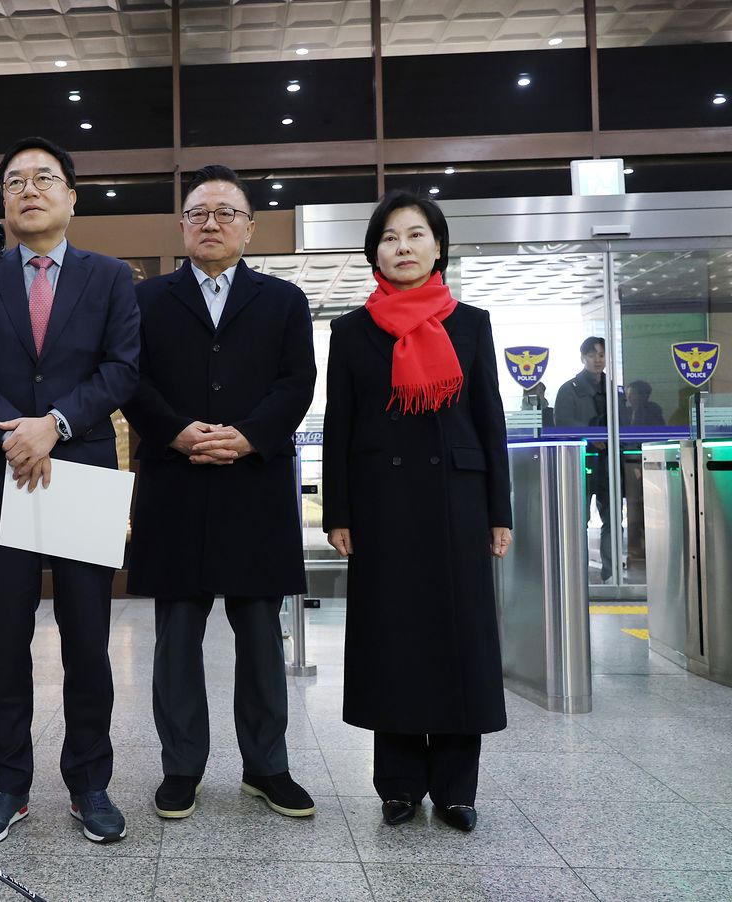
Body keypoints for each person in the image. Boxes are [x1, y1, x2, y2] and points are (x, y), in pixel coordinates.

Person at [0, 136, 140, 846]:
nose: (29, 189)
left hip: (79, 468)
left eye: (44, 178)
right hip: (1, 471)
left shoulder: (110, 275)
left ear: (71, 195)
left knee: (89, 641)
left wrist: (54, 424)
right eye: (15, 180)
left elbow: (123, 368)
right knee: (4, 640)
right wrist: (12, 433)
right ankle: (5, 784)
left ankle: (90, 783)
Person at [123, 164, 317, 821]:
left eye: (226, 213)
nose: (212, 223)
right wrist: (176, 432)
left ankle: (268, 767)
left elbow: (297, 383)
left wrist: (247, 435)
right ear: (181, 226)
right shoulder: (145, 301)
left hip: (252, 485)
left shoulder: (283, 301)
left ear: (250, 229)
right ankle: (181, 769)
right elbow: (131, 380)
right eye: (199, 213)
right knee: (177, 638)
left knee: (261, 637)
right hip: (174, 486)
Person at [322, 190, 512, 834]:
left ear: (438, 247)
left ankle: (456, 787)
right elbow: (340, 428)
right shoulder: (351, 331)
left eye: (415, 235)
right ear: (374, 251)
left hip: (458, 501)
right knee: (393, 640)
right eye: (389, 237)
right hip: (382, 504)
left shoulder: (471, 323)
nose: (401, 247)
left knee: (460, 640)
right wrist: (337, 512)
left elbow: (489, 421)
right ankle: (399, 784)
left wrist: (499, 511)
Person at [554, 337, 615, 581]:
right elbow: (563, 422)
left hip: (608, 461)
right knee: (579, 518)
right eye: (592, 355)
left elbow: (623, 422)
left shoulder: (611, 388)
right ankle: (575, 571)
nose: (597, 359)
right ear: (582, 358)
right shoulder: (569, 389)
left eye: (601, 355)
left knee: (611, 518)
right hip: (581, 460)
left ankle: (610, 574)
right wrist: (590, 438)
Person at [622, 379, 665, 565]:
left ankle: (652, 546)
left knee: (650, 505)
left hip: (646, 461)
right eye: (629, 394)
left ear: (643, 395)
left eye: (634, 394)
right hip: (629, 463)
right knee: (633, 506)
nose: (630, 398)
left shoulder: (653, 410)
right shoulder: (624, 411)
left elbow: (656, 434)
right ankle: (635, 548)